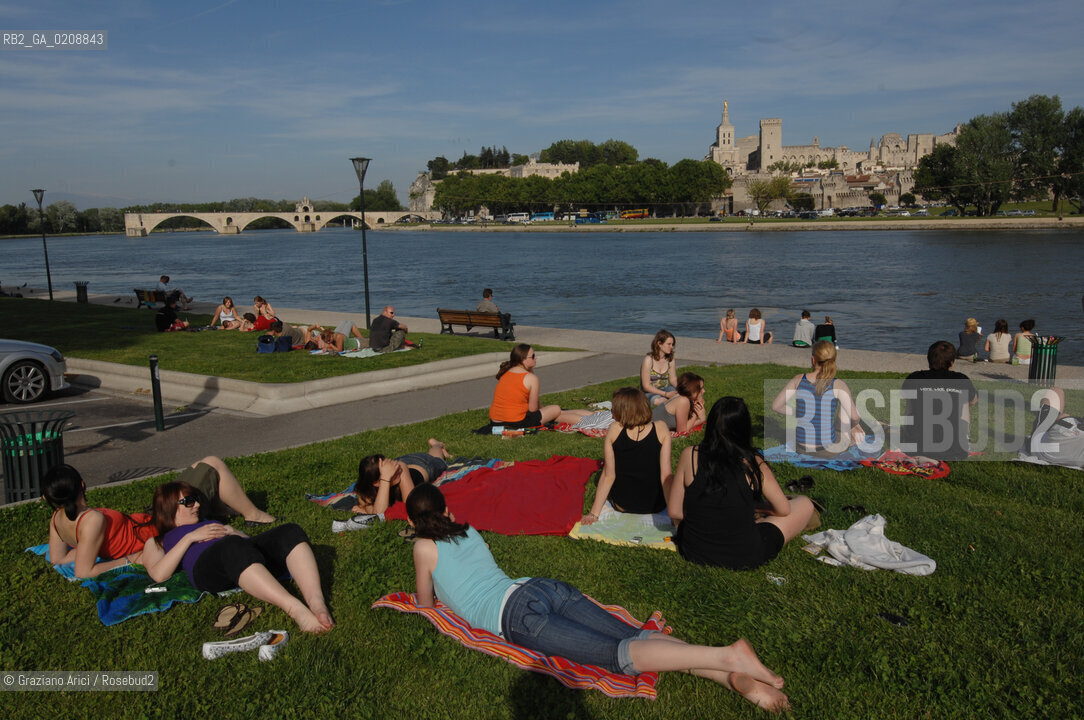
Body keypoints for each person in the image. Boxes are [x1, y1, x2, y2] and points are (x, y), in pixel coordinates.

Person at [407, 483, 790, 712]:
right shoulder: (467, 529)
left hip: (517, 616)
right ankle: (730, 677)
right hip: (540, 587)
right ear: (445, 509)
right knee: (633, 636)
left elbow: (425, 603)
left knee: (618, 656)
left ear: (412, 523)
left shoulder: (423, 547)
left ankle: (724, 655)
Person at [141, 482, 333, 634]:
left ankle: (317, 603)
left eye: (196, 499)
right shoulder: (159, 540)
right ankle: (294, 608)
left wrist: (235, 532)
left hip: (234, 553)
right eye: (189, 501)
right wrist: (191, 537)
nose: (197, 505)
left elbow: (249, 551)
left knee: (289, 531)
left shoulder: (208, 522)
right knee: (231, 546)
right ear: (169, 508)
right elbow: (159, 574)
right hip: (206, 569)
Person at [669, 397, 816, 570]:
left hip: (694, 550)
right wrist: (759, 507)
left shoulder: (690, 454)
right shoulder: (752, 462)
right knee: (805, 504)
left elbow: (675, 511)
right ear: (744, 429)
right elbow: (783, 509)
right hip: (744, 556)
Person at [43, 465, 158, 578]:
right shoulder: (91, 520)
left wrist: (86, 553)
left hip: (143, 525)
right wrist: (132, 559)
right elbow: (83, 572)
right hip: (150, 535)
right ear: (82, 484)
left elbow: (58, 558)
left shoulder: (56, 517)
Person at [581, 388, 674, 523]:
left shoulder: (614, 429)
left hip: (622, 504)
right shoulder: (661, 428)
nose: (612, 415)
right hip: (655, 505)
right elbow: (666, 476)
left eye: (614, 410)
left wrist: (594, 514)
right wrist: (674, 516)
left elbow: (608, 475)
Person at [771, 341, 865, 454]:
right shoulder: (838, 385)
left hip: (801, 448)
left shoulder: (799, 379)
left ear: (813, 359)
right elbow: (855, 417)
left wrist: (801, 413)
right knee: (849, 410)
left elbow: (776, 406)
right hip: (828, 450)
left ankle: (840, 429)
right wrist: (853, 426)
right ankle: (852, 434)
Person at [899, 340, 977, 461]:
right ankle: (963, 439)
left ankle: (910, 435)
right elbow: (973, 401)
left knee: (912, 399)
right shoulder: (961, 379)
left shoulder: (915, 377)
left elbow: (903, 395)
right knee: (965, 401)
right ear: (952, 362)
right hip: (954, 452)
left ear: (928, 359)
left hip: (915, 449)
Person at [489, 344, 592, 427]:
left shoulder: (506, 373)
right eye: (533, 356)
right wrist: (546, 411)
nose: (536, 358)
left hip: (496, 421)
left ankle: (592, 417)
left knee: (556, 412)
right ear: (523, 360)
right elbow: (533, 409)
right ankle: (592, 420)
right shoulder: (531, 378)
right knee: (556, 409)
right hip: (516, 422)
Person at [353, 438, 452, 515]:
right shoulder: (365, 490)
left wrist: (386, 479)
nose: (397, 469)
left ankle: (437, 445)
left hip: (423, 465)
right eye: (391, 473)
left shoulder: (401, 468)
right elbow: (377, 513)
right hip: (405, 460)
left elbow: (410, 506)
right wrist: (368, 511)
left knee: (437, 458)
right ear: (376, 483)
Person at [1028, 387, 1084, 468]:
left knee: (1056, 392)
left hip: (1039, 451)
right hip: (1075, 460)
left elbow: (1058, 420)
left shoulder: (1066, 423)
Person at [640, 330, 678, 406]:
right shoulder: (649, 360)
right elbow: (646, 386)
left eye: (672, 344)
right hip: (650, 392)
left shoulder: (670, 359)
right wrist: (665, 394)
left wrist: (682, 389)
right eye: (669, 344)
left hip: (666, 388)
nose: (672, 347)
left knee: (679, 396)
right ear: (659, 343)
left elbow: (673, 379)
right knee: (658, 401)